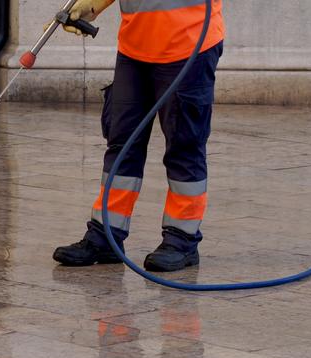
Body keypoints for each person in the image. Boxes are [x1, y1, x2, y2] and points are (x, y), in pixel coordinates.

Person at [52, 0, 224, 271]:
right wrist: (92, 5)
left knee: (184, 147)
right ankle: (106, 236)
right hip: (134, 48)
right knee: (122, 145)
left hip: (189, 46)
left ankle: (182, 240)